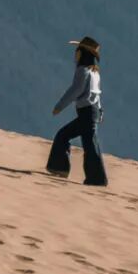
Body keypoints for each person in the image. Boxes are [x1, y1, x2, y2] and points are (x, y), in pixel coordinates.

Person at [46, 36, 108, 185]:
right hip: (92, 112)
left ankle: (60, 168)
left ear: (83, 53)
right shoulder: (95, 73)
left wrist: (59, 106)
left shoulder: (83, 71)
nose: (75, 54)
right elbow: (97, 95)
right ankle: (97, 178)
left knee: (63, 136)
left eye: (78, 51)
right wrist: (100, 111)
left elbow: (75, 90)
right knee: (90, 146)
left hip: (86, 113)